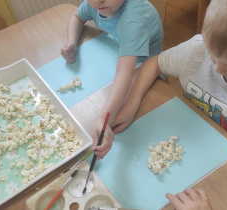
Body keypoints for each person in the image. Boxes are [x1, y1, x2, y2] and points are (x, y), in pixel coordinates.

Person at [112, 0, 227, 173]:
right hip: (187, 136)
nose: (218, 68)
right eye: (212, 54)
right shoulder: (197, 49)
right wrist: (131, 104)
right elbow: (154, 64)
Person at [61, 0, 164, 160]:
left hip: (148, 73)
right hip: (119, 59)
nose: (99, 1)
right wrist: (72, 42)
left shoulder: (133, 19)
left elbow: (124, 71)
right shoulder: (95, 3)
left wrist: (103, 117)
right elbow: (77, 17)